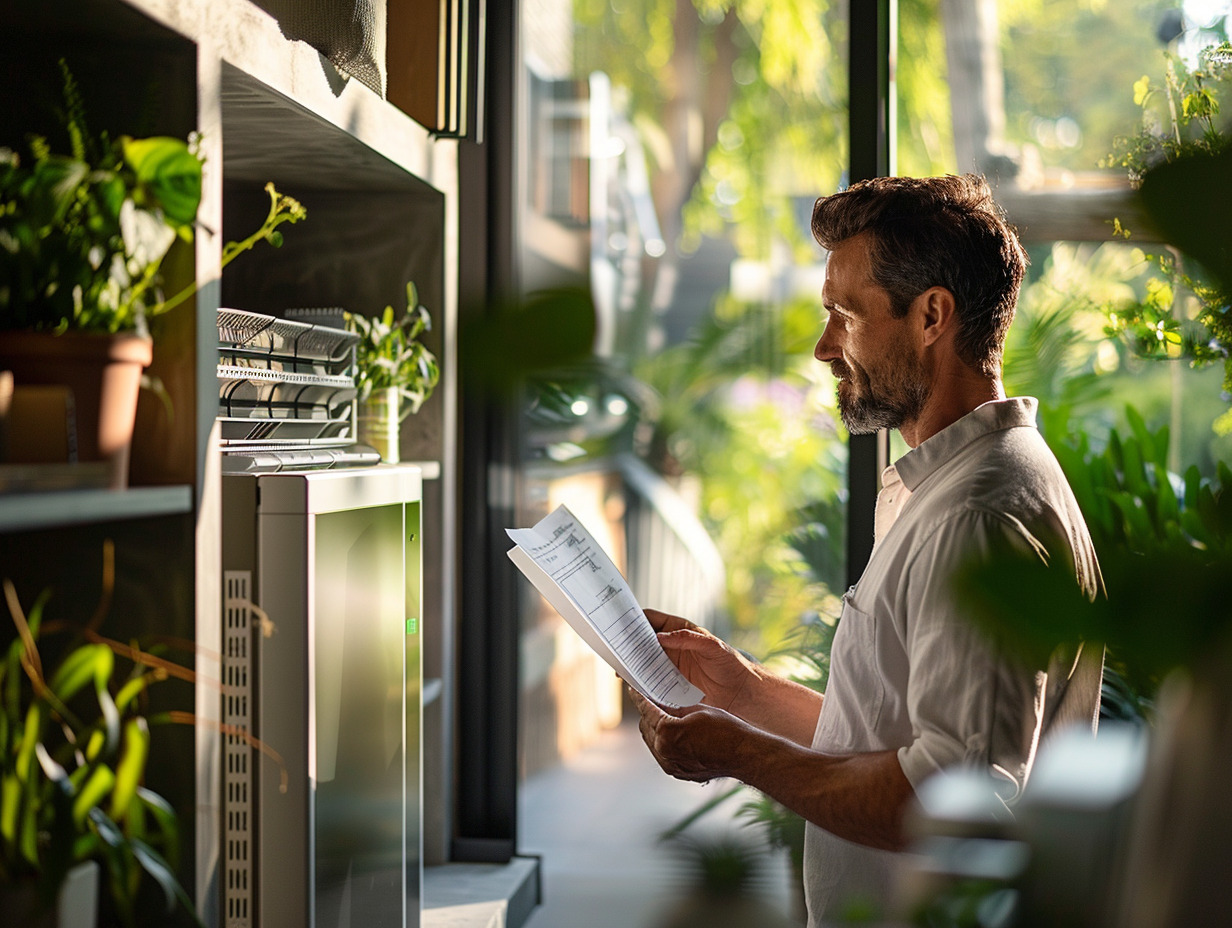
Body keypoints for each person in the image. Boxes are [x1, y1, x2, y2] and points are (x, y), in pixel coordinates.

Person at [630, 174, 1104, 926]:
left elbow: (952, 796)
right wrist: (745, 692)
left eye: (843, 316)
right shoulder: (950, 487)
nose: (823, 348)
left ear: (931, 316)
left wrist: (740, 755)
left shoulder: (977, 517)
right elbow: (895, 734)